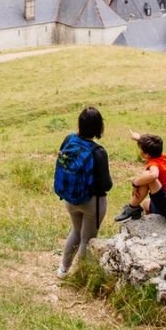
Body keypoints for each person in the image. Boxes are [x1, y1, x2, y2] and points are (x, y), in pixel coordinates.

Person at [56, 107, 114, 278]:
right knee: (87, 239)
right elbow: (106, 185)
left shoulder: (68, 140)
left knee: (75, 230)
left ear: (80, 124)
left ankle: (63, 270)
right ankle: (80, 276)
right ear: (99, 127)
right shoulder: (99, 152)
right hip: (92, 202)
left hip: (70, 198)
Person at [113, 132, 166, 222]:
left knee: (147, 176)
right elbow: (151, 145)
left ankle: (132, 207)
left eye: (141, 149)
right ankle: (139, 214)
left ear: (146, 154)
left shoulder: (154, 164)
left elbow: (153, 175)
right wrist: (138, 138)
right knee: (144, 204)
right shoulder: (161, 155)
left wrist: (135, 183)